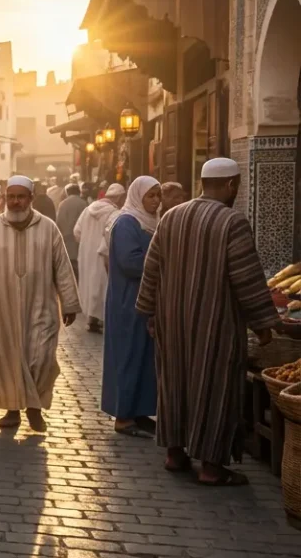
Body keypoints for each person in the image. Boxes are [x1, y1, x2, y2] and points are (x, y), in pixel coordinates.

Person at [137, 158, 282, 486]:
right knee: (214, 390)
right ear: (232, 185)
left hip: (172, 324)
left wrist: (149, 312)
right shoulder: (232, 222)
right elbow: (247, 279)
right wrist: (263, 327)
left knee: (174, 385)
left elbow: (152, 269)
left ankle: (175, 454)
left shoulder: (171, 217)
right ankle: (212, 469)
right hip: (214, 326)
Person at [0, 177, 81, 432]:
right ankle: (13, 409)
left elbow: (62, 267)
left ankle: (35, 407)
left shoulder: (48, 228)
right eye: (11, 197)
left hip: (41, 307)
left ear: (31, 198)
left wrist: (69, 302)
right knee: (7, 359)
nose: (15, 202)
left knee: (41, 356)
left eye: (21, 197)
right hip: (1, 309)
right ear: (5, 198)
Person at [100, 176, 161, 438]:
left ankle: (138, 412)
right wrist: (163, 263)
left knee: (143, 358)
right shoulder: (126, 222)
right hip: (128, 302)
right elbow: (130, 261)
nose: (156, 201)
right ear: (138, 196)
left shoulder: (148, 222)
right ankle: (123, 416)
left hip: (143, 301)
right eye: (151, 195)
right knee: (128, 355)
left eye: (158, 195)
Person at [75, 183, 125, 333]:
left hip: (86, 253)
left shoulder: (87, 210)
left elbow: (76, 231)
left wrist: (86, 243)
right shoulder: (115, 213)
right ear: (119, 197)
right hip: (103, 254)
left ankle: (92, 319)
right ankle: (101, 319)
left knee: (90, 285)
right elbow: (112, 236)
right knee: (102, 286)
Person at [56, 184, 87, 277]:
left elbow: (58, 222)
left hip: (66, 238)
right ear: (78, 192)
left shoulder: (62, 204)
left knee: (69, 265)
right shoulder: (83, 203)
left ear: (67, 193)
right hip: (80, 240)